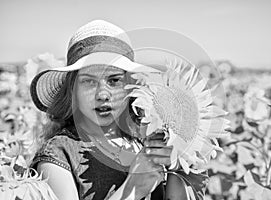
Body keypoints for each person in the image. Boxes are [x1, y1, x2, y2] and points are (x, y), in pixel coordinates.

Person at [29, 20, 192, 200]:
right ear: (72, 90)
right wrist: (132, 189)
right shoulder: (60, 154)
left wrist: (181, 165)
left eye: (114, 80)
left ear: (132, 86)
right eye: (89, 81)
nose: (102, 94)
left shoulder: (145, 139)